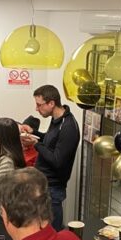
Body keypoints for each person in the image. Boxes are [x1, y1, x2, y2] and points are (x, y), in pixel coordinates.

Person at [20, 85, 80, 231]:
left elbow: (57, 160)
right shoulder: (57, 120)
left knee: (52, 233)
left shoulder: (68, 127)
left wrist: (36, 144)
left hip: (53, 188)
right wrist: (34, 132)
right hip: (45, 184)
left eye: (39, 105)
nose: (36, 108)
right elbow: (50, 141)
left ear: (51, 103)